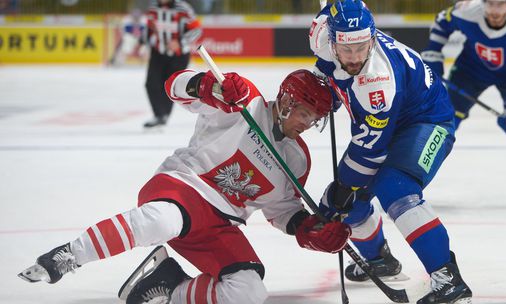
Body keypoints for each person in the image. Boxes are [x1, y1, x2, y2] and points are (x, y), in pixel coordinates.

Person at [18, 69, 352, 304]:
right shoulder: (243, 101)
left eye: (316, 119)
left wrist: (311, 231)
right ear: (288, 101)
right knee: (164, 221)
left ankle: (168, 287)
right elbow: (173, 86)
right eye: (305, 114)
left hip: (220, 226)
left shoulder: (297, 160)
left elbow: (282, 211)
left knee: (249, 291)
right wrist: (208, 87)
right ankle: (67, 256)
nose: (308, 125)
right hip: (183, 187)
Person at [308, 1, 472, 303]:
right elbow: (327, 57)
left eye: (362, 47)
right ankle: (380, 260)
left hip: (428, 120)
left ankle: (448, 279)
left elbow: (371, 152)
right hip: (391, 121)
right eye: (347, 50)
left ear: (372, 37)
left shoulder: (377, 82)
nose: (356, 57)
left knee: (395, 187)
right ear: (331, 40)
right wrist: (330, 87)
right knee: (350, 201)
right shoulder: (321, 32)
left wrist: (340, 189)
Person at [421, 0, 506, 169]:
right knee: (445, 120)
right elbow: (442, 21)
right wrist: (433, 51)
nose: (494, 11)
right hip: (470, 71)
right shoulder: (467, 10)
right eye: (490, 4)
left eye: (500, 5)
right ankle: (414, 176)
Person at [142, 0, 202, 129]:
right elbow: (149, 28)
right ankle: (159, 115)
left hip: (179, 55)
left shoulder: (184, 9)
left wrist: (180, 42)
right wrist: (144, 44)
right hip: (158, 52)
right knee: (151, 83)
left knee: (170, 85)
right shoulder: (152, 8)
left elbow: (197, 29)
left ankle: (163, 116)